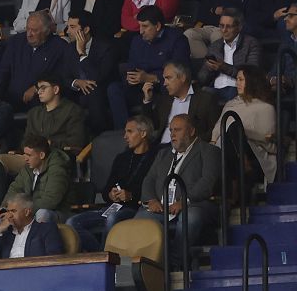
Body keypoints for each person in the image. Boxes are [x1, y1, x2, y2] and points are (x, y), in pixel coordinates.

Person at [138, 114, 222, 265]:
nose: (172, 134)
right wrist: (151, 200)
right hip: (163, 207)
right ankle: (154, 263)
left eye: (177, 130)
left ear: (191, 131)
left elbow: (207, 183)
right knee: (140, 219)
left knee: (190, 218)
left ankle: (176, 262)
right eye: (171, 130)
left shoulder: (209, 151)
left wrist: (184, 201)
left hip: (194, 204)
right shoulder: (163, 154)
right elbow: (149, 179)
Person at [67, 116, 157, 251]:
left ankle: (106, 260)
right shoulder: (122, 158)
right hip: (113, 207)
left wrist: (131, 196)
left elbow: (153, 188)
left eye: (130, 132)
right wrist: (110, 194)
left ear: (143, 133)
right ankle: (99, 255)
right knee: (72, 222)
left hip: (136, 209)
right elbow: (106, 189)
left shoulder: (155, 157)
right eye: (125, 132)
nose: (125, 136)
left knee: (112, 219)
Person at [107, 5, 190, 130]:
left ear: (157, 26)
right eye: (140, 26)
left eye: (145, 26)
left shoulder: (177, 40)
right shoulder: (137, 41)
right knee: (114, 88)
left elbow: (181, 74)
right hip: (140, 87)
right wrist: (132, 77)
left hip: (163, 88)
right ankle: (124, 131)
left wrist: (151, 77)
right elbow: (133, 65)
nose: (141, 31)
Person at [0, 10, 75, 111]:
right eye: (27, 29)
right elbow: (3, 72)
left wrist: (38, 88)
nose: (29, 34)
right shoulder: (15, 43)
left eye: (34, 30)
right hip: (11, 101)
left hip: (41, 103)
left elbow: (62, 77)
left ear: (47, 31)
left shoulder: (60, 47)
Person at [210, 66, 277, 185]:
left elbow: (269, 142)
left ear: (252, 82)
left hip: (253, 156)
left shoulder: (265, 108)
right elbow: (217, 130)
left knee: (235, 127)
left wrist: (245, 133)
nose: (237, 83)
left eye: (241, 80)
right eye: (237, 79)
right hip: (223, 151)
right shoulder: (230, 104)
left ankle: (242, 166)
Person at [142, 61, 219, 144]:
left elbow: (213, 129)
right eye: (164, 79)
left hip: (190, 150)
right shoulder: (165, 99)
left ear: (182, 77)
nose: (164, 83)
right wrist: (148, 100)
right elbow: (153, 125)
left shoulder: (205, 99)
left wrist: (194, 145)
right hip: (162, 149)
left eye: (168, 78)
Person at [66, 11, 117, 134]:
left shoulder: (106, 48)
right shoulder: (68, 48)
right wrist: (76, 82)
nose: (67, 31)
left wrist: (82, 54)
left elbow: (98, 77)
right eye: (68, 27)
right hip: (75, 93)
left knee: (93, 89)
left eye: (72, 27)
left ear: (86, 29)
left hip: (99, 92)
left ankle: (99, 137)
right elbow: (63, 76)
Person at [196, 9, 262, 101]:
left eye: (229, 27)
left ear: (239, 27)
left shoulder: (250, 43)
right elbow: (202, 79)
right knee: (202, 93)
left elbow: (251, 75)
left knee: (231, 92)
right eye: (221, 26)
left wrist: (223, 67)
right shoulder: (215, 46)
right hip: (215, 90)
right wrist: (209, 69)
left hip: (237, 89)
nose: (224, 30)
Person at [4, 134, 72, 223]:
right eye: (24, 154)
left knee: (42, 214)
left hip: (57, 213)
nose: (25, 159)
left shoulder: (57, 169)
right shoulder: (27, 168)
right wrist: (5, 209)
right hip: (29, 210)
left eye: (29, 155)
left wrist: (22, 209)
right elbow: (14, 189)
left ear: (41, 155)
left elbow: (51, 200)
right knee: (0, 217)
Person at [0, 193, 64, 259]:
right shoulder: (6, 233)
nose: (9, 215)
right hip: (8, 274)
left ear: (27, 212)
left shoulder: (46, 229)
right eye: (8, 211)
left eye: (13, 211)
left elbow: (54, 260)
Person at [24, 75, 87, 154]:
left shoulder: (72, 111)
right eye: (38, 88)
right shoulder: (33, 113)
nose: (39, 92)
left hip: (59, 156)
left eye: (43, 88)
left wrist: (50, 144)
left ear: (56, 89)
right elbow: (26, 142)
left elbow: (75, 144)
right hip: (32, 158)